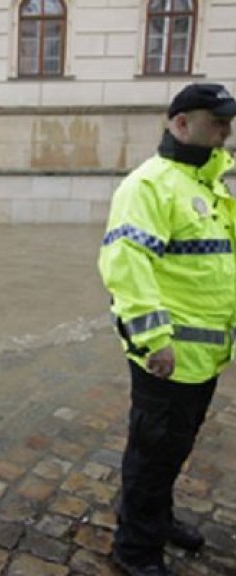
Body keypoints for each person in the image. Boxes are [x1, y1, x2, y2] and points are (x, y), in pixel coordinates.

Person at [98, 82, 236, 576]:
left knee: (174, 448)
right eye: (217, 121)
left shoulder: (209, 185)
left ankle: (157, 519)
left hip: (205, 356)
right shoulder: (149, 185)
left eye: (228, 122)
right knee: (151, 456)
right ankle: (135, 550)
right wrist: (154, 342)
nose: (226, 131)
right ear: (181, 124)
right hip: (168, 357)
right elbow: (126, 267)